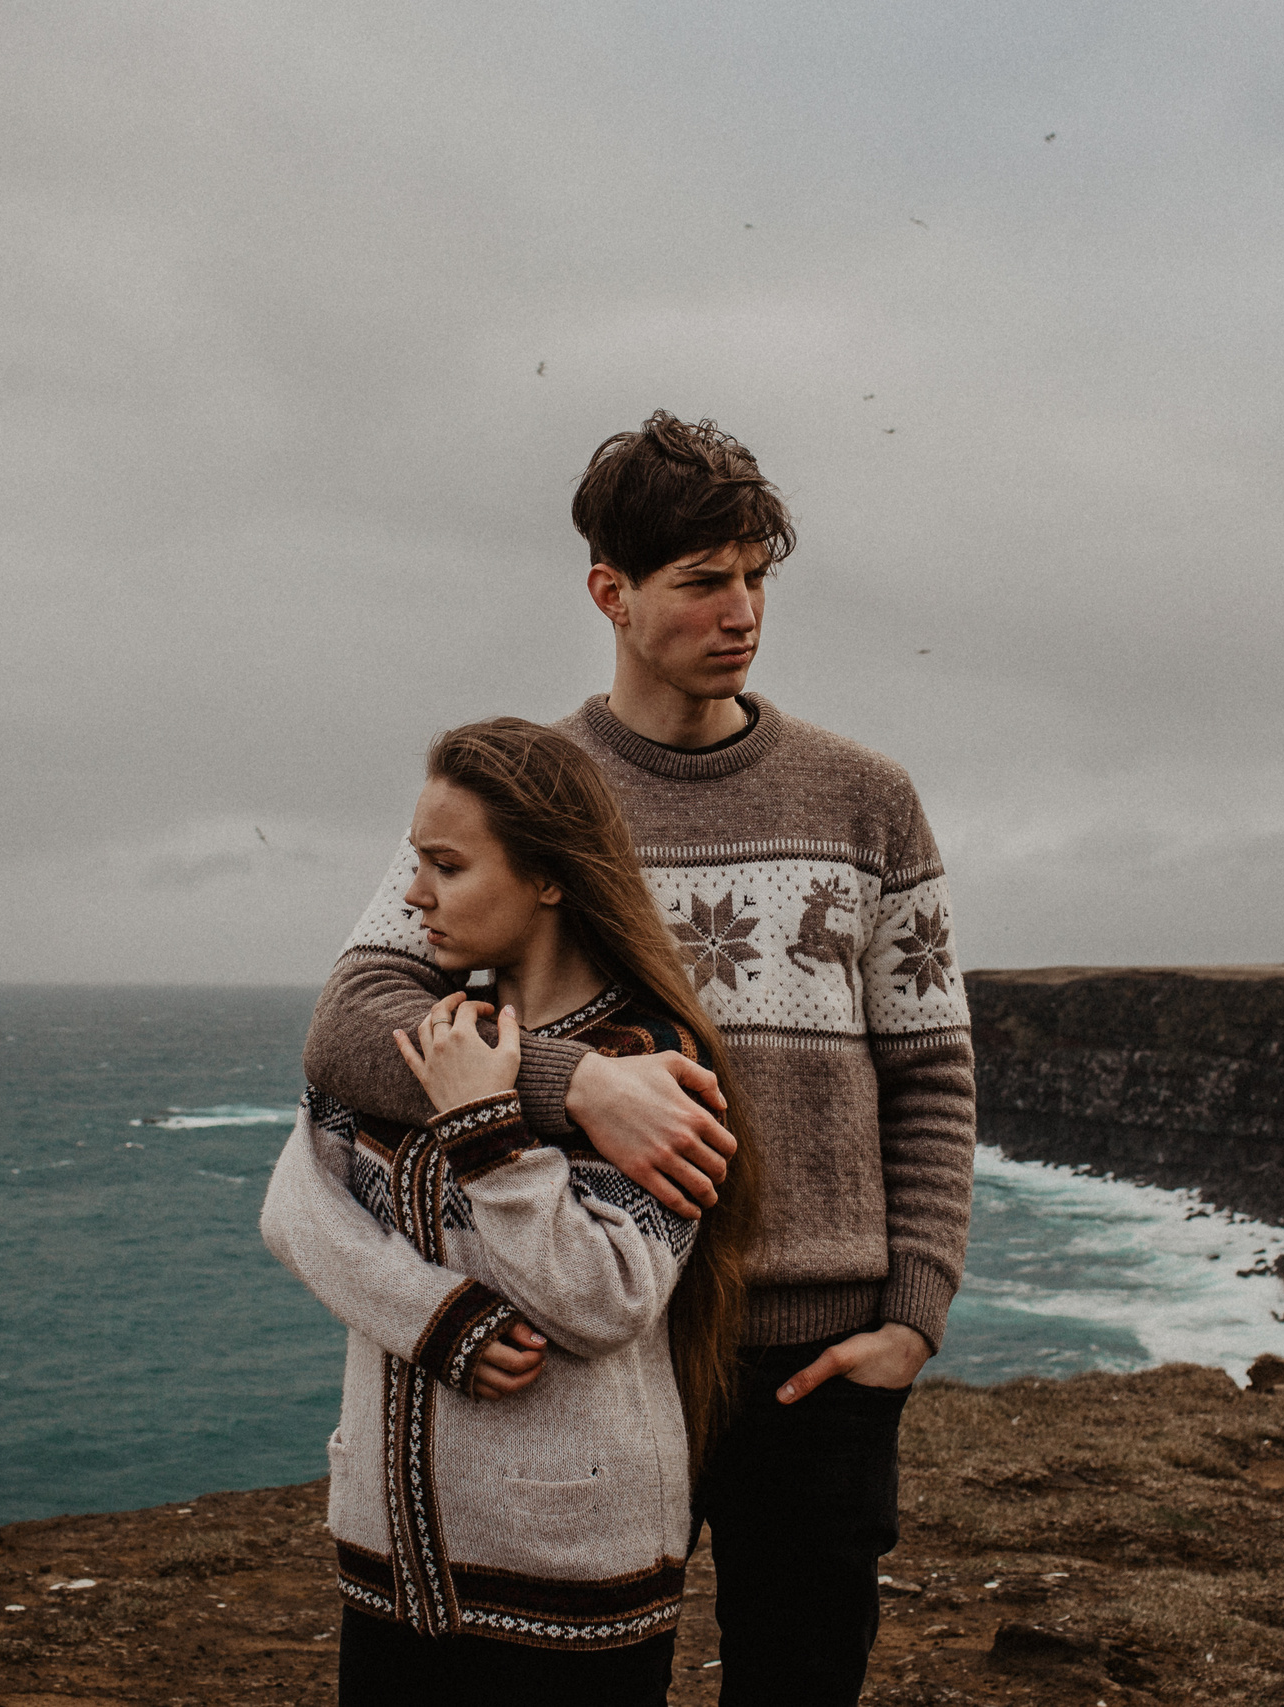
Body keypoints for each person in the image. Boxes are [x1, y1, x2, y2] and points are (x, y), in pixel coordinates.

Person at [302, 411, 977, 1703]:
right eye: (704, 580)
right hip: (599, 1351)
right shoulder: (528, 794)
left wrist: (913, 1316)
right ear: (609, 592)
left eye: (757, 577)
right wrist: (579, 1087)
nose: (743, 612)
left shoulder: (867, 798)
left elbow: (930, 1073)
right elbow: (351, 1023)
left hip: (817, 1363)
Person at [261, 716, 761, 1706]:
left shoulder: (652, 1062)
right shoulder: (419, 1033)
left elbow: (608, 1299)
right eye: (416, 862)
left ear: (549, 876)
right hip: (385, 1563)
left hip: (573, 1576)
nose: (413, 895)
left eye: (447, 866)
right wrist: (436, 1320)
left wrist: (490, 1132)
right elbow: (297, 1208)